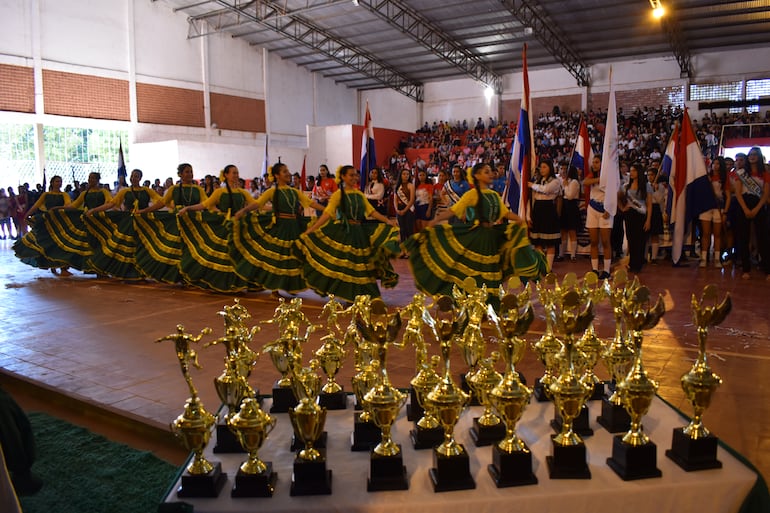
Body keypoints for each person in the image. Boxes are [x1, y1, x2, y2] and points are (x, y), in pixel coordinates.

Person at [404, 162, 546, 300]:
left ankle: (490, 301)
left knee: (492, 271)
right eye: (486, 172)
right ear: (477, 176)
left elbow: (504, 213)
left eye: (490, 171)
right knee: (477, 271)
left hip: (491, 237)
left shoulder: (494, 195)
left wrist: (520, 220)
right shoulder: (472, 194)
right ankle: (476, 301)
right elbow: (454, 210)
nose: (490, 174)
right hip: (478, 237)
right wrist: (435, 221)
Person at [296, 164, 400, 302]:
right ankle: (350, 297)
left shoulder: (359, 194)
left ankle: (370, 296)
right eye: (351, 175)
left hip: (359, 233)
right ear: (343, 177)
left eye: (355, 175)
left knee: (363, 266)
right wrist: (312, 229)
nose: (354, 177)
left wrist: (387, 221)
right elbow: (327, 214)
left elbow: (371, 212)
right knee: (347, 267)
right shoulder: (338, 195)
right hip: (345, 233)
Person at [231, 162, 325, 295]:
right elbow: (258, 203)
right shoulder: (271, 192)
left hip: (294, 226)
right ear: (276, 175)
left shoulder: (294, 191)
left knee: (293, 257)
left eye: (288, 171)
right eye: (284, 171)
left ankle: (291, 285)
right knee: (277, 257)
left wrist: (326, 210)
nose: (288, 174)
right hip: (280, 227)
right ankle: (274, 289)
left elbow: (310, 203)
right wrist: (243, 211)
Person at [177, 164, 254, 291]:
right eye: (233, 173)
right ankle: (222, 283)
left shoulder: (243, 192)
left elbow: (256, 204)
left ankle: (237, 284)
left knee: (237, 256)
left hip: (238, 227)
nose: (236, 175)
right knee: (224, 257)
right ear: (226, 175)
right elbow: (205, 205)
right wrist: (188, 208)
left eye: (237, 173)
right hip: (225, 227)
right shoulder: (219, 192)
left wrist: (273, 209)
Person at [133, 163, 208, 283]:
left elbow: (207, 204)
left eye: (191, 171)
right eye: (187, 172)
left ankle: (193, 276)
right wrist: (143, 211)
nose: (190, 174)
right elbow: (161, 203)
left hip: (193, 224)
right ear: (180, 174)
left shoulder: (198, 189)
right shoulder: (174, 189)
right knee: (177, 250)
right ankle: (178, 276)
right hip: (177, 222)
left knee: (193, 249)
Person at [85, 169, 161, 280]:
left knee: (143, 247)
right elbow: (111, 204)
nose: (133, 178)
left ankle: (143, 270)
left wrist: (145, 211)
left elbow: (161, 202)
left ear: (140, 178)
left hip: (144, 222)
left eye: (136, 176)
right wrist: (94, 210)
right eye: (132, 176)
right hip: (128, 222)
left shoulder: (147, 190)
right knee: (126, 247)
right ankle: (128, 271)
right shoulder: (124, 191)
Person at [13, 175, 73, 276]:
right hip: (48, 221)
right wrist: (27, 215)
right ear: (52, 183)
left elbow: (68, 205)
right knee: (49, 243)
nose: (59, 183)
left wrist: (57, 208)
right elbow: (36, 205)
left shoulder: (64, 195)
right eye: (57, 181)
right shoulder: (46, 194)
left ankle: (63, 267)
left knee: (62, 244)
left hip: (60, 221)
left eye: (60, 181)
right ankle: (52, 265)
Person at [732, 147, 770, 279]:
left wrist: (757, 209)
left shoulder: (764, 173)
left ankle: (767, 269)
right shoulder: (742, 173)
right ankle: (746, 269)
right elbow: (737, 193)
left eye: (754, 154)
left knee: (763, 238)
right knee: (743, 237)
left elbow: (765, 194)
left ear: (759, 156)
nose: (752, 157)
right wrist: (746, 209)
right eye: (750, 155)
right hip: (744, 205)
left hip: (759, 205)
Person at [528, 159, 562, 270]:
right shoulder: (539, 180)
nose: (542, 170)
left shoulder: (555, 181)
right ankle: (541, 265)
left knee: (550, 242)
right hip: (538, 209)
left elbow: (546, 190)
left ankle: (548, 268)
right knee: (538, 241)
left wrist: (532, 185)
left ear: (550, 168)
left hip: (548, 210)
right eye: (541, 167)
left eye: (544, 167)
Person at [584, 155, 614, 279]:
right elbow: (585, 182)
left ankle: (606, 270)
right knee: (594, 241)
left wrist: (610, 208)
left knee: (606, 242)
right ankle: (595, 269)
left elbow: (615, 194)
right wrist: (599, 179)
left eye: (597, 162)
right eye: (594, 162)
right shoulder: (592, 175)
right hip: (592, 209)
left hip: (606, 210)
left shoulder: (611, 177)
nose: (594, 164)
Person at [619, 163, 652, 274]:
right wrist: (622, 208)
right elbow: (618, 197)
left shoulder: (646, 186)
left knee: (640, 240)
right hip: (630, 215)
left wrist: (648, 220)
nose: (631, 173)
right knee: (631, 239)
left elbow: (649, 204)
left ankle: (638, 263)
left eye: (634, 171)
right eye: (631, 170)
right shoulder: (626, 186)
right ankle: (632, 262)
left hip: (641, 215)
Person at [698, 157, 728, 268]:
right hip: (706, 207)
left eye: (718, 164)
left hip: (719, 208)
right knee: (705, 234)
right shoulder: (707, 177)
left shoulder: (724, 178)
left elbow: (728, 195)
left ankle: (716, 259)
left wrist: (725, 211)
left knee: (717, 234)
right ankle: (704, 258)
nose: (715, 166)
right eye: (714, 163)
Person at [559, 165, 581, 262]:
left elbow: (570, 196)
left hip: (571, 206)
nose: (563, 172)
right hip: (564, 206)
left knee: (572, 231)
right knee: (563, 231)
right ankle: (561, 254)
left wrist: (566, 185)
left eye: (565, 170)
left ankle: (573, 255)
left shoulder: (574, 182)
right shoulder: (565, 181)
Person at [394, 168, 415, 256]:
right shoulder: (397, 186)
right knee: (401, 230)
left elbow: (412, 200)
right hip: (399, 209)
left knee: (409, 230)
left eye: (407, 174)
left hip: (409, 209)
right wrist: (397, 210)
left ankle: (410, 250)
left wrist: (405, 210)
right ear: (400, 175)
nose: (406, 176)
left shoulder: (411, 185)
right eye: (404, 174)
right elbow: (394, 200)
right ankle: (402, 250)